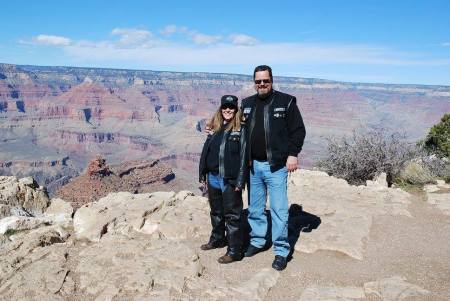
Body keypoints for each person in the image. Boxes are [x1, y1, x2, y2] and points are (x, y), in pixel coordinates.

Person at [241, 65, 306, 271]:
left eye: (265, 81)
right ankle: (258, 241)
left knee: (278, 210)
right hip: (253, 166)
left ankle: (281, 250)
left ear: (272, 80)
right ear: (254, 82)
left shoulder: (285, 102)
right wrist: (212, 128)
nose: (262, 84)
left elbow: (298, 130)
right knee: (255, 208)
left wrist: (293, 154)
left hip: (276, 166)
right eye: (258, 81)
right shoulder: (247, 104)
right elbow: (234, 128)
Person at [199, 95, 247, 264]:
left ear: (236, 109)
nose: (228, 110)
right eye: (225, 107)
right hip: (213, 176)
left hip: (229, 179)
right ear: (220, 109)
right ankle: (217, 239)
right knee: (216, 211)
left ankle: (235, 250)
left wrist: (240, 181)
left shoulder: (241, 129)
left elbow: (243, 157)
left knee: (233, 215)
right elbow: (207, 151)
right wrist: (202, 174)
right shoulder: (215, 128)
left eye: (231, 107)